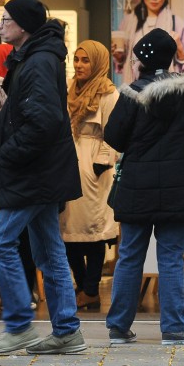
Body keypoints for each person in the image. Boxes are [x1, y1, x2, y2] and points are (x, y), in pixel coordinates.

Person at [104, 28, 184, 345]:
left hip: (136, 184)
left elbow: (114, 137)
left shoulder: (131, 93)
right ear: (170, 58)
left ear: (142, 61)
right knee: (172, 256)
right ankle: (173, 329)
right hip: (177, 183)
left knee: (130, 254)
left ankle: (119, 327)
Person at [0, 0, 85, 356]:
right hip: (43, 171)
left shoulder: (38, 61)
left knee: (0, 242)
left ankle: (20, 325)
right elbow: (36, 114)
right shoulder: (36, 57)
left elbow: (43, 121)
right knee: (49, 251)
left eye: (6, 19)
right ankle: (67, 330)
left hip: (34, 172)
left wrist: (8, 152)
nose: (0, 25)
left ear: (23, 26)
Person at [60, 40, 120, 311]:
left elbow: (114, 133)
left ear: (96, 63)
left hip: (94, 168)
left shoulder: (108, 94)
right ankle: (83, 286)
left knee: (93, 232)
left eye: (85, 60)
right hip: (68, 162)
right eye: (76, 59)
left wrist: (102, 161)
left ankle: (91, 289)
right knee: (69, 229)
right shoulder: (69, 89)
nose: (79, 65)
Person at [116, 0, 184, 83]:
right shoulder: (128, 22)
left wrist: (180, 49)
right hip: (135, 85)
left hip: (164, 87)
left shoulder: (177, 23)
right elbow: (123, 63)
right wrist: (119, 57)